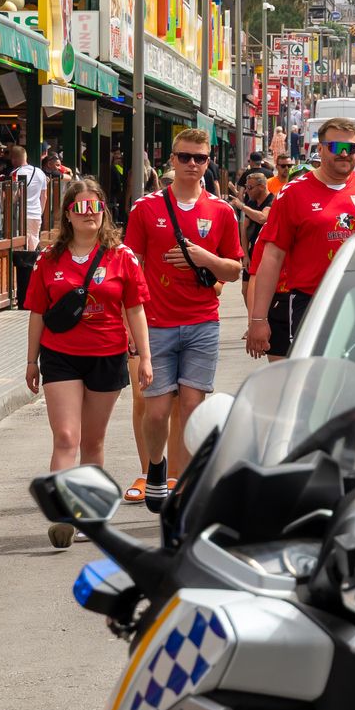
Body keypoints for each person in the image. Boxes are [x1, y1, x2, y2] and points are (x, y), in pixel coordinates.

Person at [23, 175, 152, 547]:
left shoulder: (122, 256)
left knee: (93, 442)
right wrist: (31, 361)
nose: (88, 213)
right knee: (66, 436)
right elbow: (36, 311)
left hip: (108, 355)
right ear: (67, 214)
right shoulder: (49, 258)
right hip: (61, 355)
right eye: (80, 207)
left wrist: (144, 356)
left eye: (95, 206)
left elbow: (135, 308)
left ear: (103, 212)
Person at [123, 128, 245, 508]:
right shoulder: (146, 208)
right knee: (156, 410)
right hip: (156, 324)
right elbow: (131, 267)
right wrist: (130, 326)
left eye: (201, 158)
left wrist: (202, 257)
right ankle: (155, 468)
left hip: (202, 324)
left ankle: (185, 486)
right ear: (171, 160)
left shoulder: (221, 212)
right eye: (186, 157)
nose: (193, 164)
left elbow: (232, 270)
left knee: (192, 408)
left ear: (209, 162)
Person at [245, 118, 355, 361]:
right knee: (311, 383)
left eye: (352, 148)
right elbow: (272, 257)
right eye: (337, 147)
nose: (345, 154)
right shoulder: (293, 193)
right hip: (311, 302)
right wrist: (258, 319)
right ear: (321, 149)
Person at [6, 144, 47, 250]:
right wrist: (40, 212)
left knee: (23, 245)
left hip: (22, 215)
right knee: (34, 241)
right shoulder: (40, 172)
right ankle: (34, 263)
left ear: (14, 159)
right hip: (36, 214)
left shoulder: (15, 174)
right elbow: (44, 196)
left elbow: (14, 197)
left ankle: (27, 265)